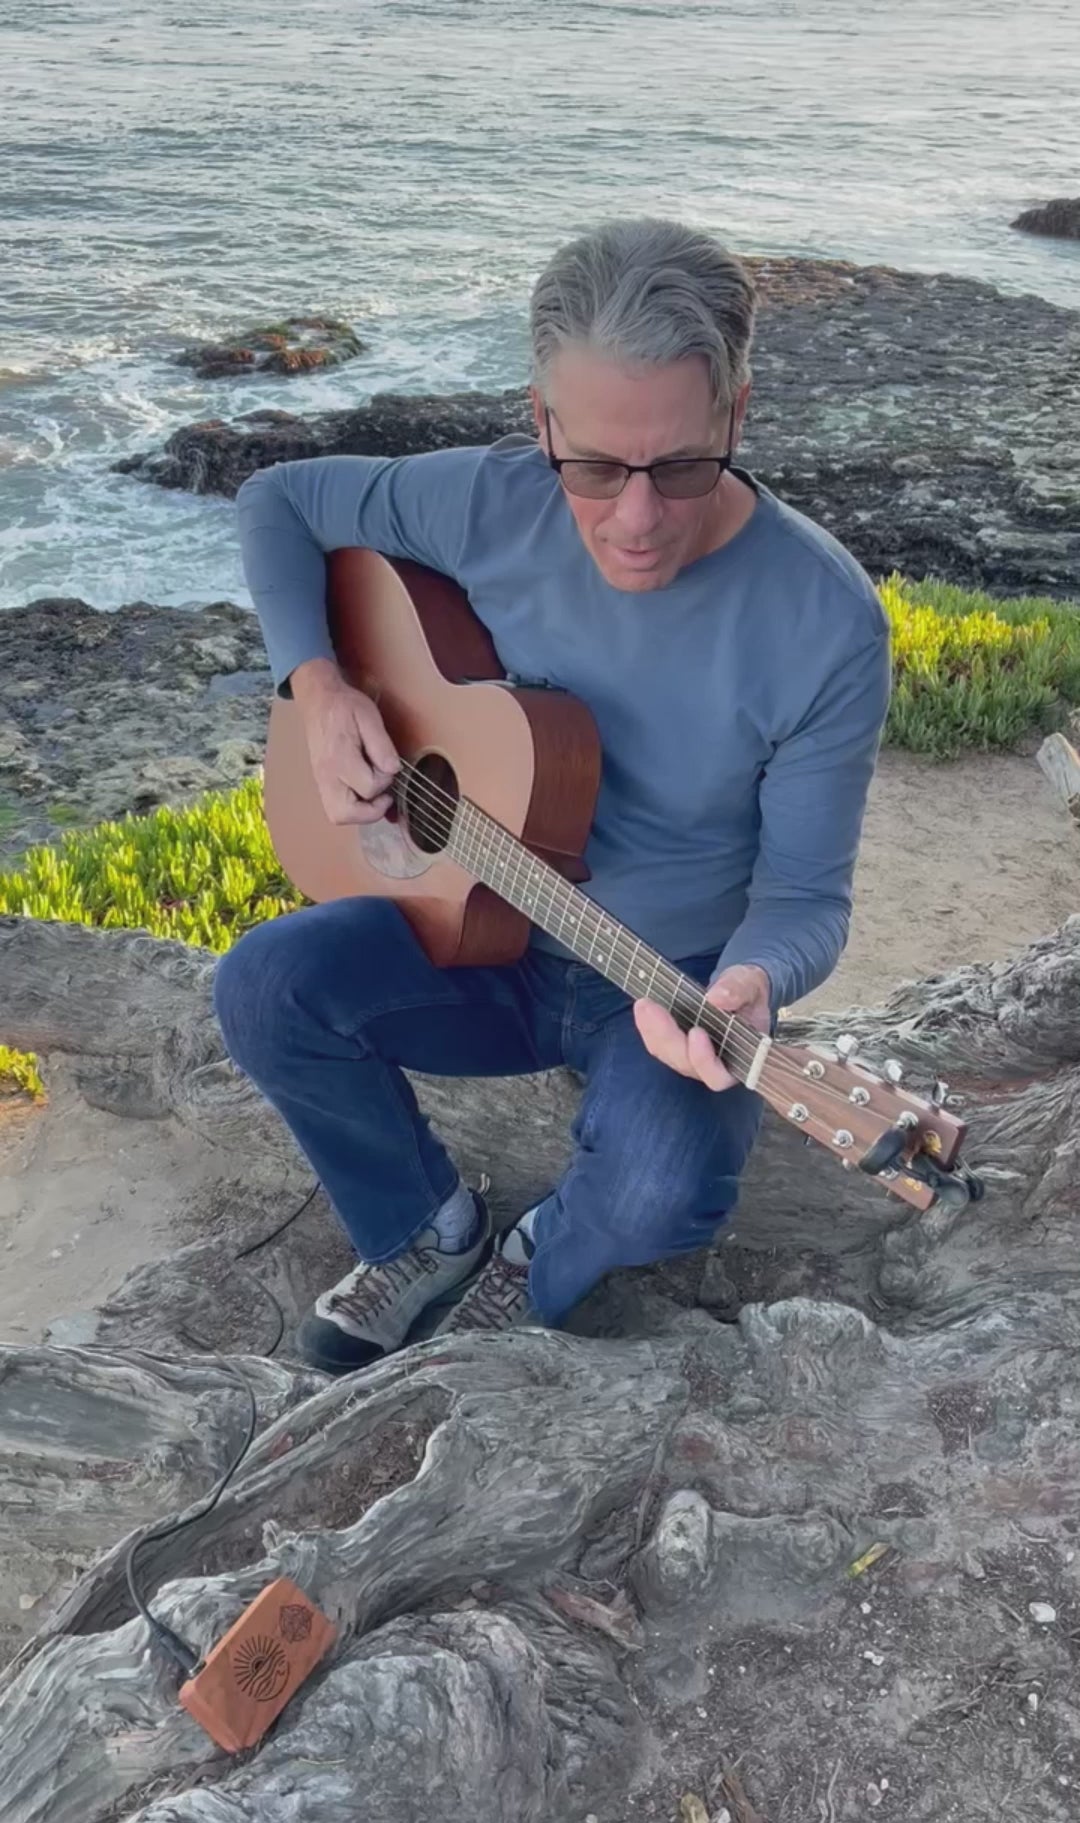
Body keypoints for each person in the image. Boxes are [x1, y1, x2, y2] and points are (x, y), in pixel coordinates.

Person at [214, 215, 891, 1374]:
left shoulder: (826, 624)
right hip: (470, 932)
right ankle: (424, 1231)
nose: (637, 520)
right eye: (592, 469)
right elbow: (277, 502)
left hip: (660, 988)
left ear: (738, 410)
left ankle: (537, 1262)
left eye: (683, 465)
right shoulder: (485, 502)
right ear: (540, 424)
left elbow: (806, 894)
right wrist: (318, 685)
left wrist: (751, 979)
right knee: (267, 987)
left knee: (667, 1190)